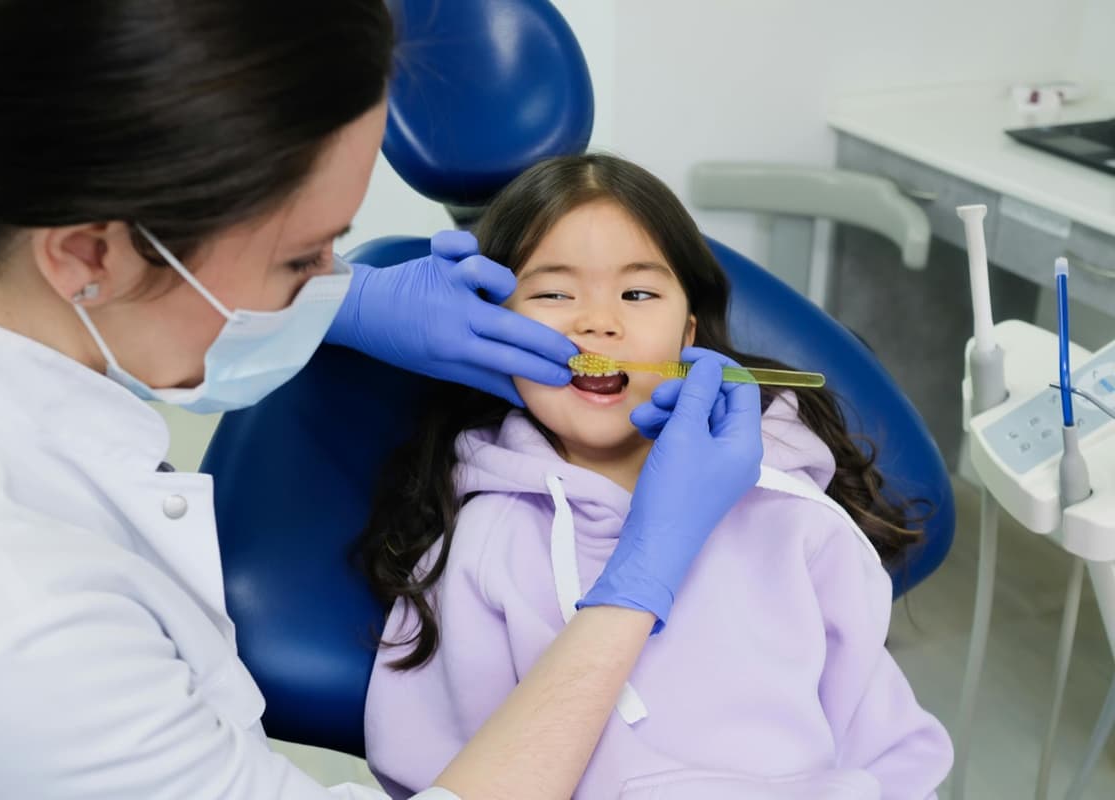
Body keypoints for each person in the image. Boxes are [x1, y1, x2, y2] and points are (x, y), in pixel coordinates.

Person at [0, 3, 768, 798]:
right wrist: (637, 582)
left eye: (340, 255)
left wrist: (354, 301)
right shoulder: (18, 628)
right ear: (87, 257)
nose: (331, 285)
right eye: (303, 260)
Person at [358, 154, 955, 799]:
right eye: (553, 292)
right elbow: (438, 779)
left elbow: (894, 755)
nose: (598, 323)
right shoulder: (479, 547)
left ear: (687, 334)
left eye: (637, 293)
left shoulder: (793, 517)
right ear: (492, 331)